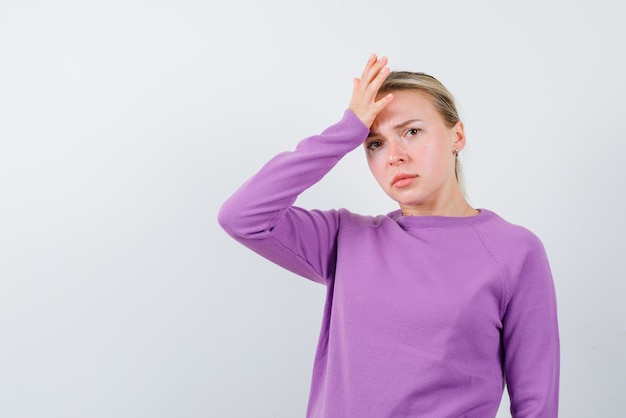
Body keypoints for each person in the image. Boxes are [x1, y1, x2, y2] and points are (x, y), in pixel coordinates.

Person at [218, 54, 560, 417]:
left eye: (412, 132)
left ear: (456, 136)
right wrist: (346, 131)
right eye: (375, 144)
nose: (394, 156)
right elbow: (242, 216)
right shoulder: (345, 238)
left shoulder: (514, 252)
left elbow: (537, 403)